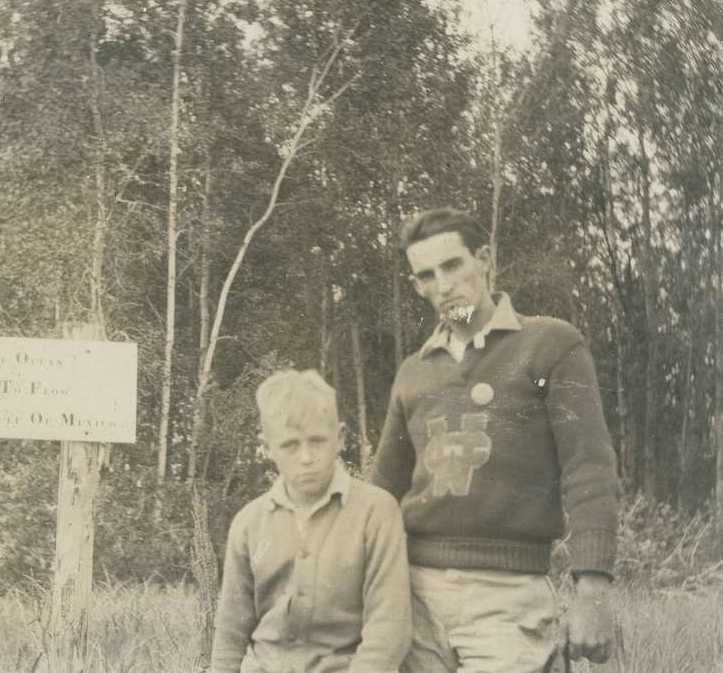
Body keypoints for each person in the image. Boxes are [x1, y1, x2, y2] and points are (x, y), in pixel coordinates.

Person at [370, 208, 620, 672]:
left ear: (484, 259)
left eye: (453, 265)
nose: (443, 285)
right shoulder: (413, 372)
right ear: (417, 286)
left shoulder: (549, 346)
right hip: (413, 596)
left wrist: (593, 591)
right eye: (427, 275)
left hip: (508, 597)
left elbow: (589, 469)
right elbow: (381, 493)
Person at [212, 369, 411, 673]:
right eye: (290, 445)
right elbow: (230, 635)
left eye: (317, 441)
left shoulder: (377, 512)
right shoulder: (248, 524)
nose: (306, 457)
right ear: (266, 448)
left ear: (340, 438)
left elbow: (388, 630)